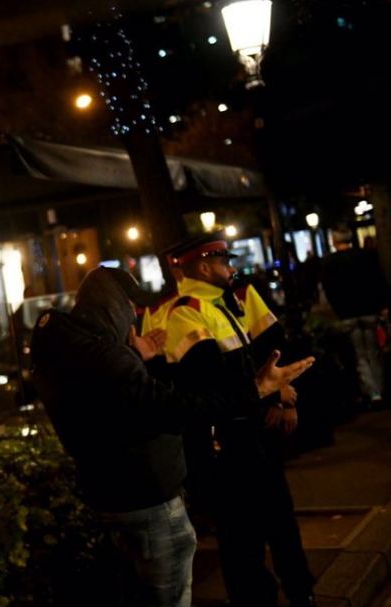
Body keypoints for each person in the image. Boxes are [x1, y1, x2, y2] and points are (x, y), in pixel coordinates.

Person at [29, 268, 310, 607]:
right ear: (112, 304)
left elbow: (120, 403)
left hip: (108, 496)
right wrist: (257, 390)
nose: (134, 316)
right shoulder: (108, 358)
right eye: (130, 305)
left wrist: (137, 359)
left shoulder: (65, 348)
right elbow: (171, 407)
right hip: (149, 500)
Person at [163, 236, 317, 607]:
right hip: (227, 447)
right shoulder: (188, 312)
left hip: (253, 435)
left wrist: (278, 394)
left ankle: (301, 593)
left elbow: (262, 363)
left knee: (280, 524)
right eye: (224, 262)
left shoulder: (222, 302)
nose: (232, 268)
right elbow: (211, 385)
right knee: (242, 541)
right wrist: (269, 391)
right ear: (203, 267)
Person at [321, 226, 390, 407]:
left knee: (359, 354)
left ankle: (371, 392)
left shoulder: (329, 263)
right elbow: (378, 281)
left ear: (335, 241)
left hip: (348, 314)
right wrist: (382, 305)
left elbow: (330, 290)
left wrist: (339, 310)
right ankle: (379, 388)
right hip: (369, 311)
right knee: (373, 352)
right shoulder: (366, 256)